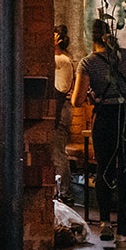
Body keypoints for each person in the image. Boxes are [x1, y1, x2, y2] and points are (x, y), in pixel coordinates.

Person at [71, 18, 126, 250]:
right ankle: (122, 237)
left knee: (104, 170)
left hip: (105, 119)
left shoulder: (88, 63)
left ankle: (106, 223)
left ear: (92, 38)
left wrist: (90, 95)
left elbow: (76, 100)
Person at [52, 25, 74, 197]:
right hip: (61, 109)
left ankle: (65, 193)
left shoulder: (61, 60)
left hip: (60, 110)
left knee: (58, 152)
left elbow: (60, 90)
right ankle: (63, 191)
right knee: (58, 151)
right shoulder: (64, 59)